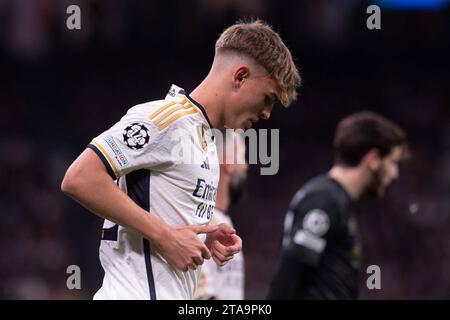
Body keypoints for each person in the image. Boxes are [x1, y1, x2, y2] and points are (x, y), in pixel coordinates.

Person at [61, 20, 301, 300]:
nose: (267, 114)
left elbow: (155, 206)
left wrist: (203, 238)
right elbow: (80, 178)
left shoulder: (207, 140)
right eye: (268, 99)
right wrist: (166, 237)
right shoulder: (168, 119)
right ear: (240, 77)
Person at [267, 111, 407, 300]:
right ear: (373, 159)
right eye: (392, 163)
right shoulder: (324, 199)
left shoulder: (337, 200)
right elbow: (290, 273)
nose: (394, 174)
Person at [195, 131, 248, 300]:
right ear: (228, 162)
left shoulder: (222, 221)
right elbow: (201, 296)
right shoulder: (203, 221)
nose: (246, 165)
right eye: (242, 155)